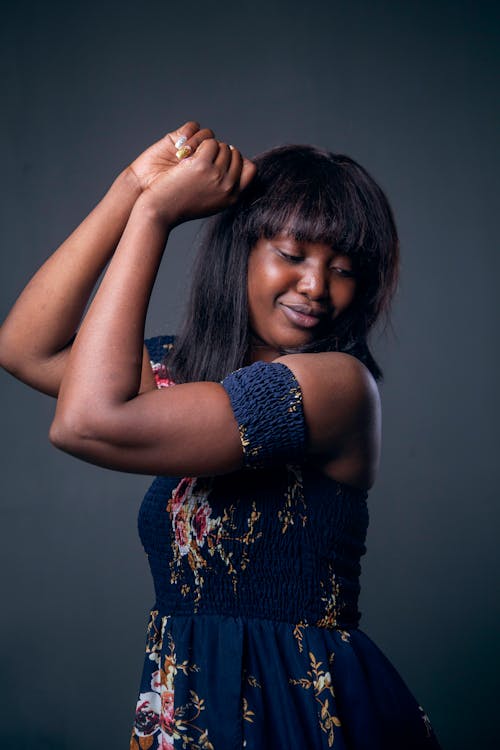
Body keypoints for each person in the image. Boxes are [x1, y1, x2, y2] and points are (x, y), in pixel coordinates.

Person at [0, 121, 441, 749]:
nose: (316, 286)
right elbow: (25, 347)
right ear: (241, 251)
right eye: (292, 256)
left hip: (301, 715)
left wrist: (153, 216)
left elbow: (88, 420)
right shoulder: (182, 379)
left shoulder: (334, 385)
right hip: (194, 708)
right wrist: (132, 186)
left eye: (342, 270)